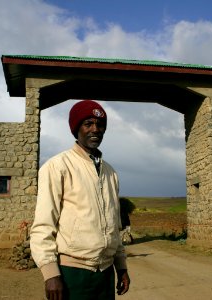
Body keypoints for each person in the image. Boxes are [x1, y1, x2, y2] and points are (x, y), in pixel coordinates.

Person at [30, 100, 130, 300]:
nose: (95, 129)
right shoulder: (57, 166)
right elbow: (43, 225)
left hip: (105, 273)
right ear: (76, 129)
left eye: (100, 125)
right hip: (72, 274)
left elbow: (114, 226)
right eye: (88, 123)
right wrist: (51, 274)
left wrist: (121, 266)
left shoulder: (111, 173)